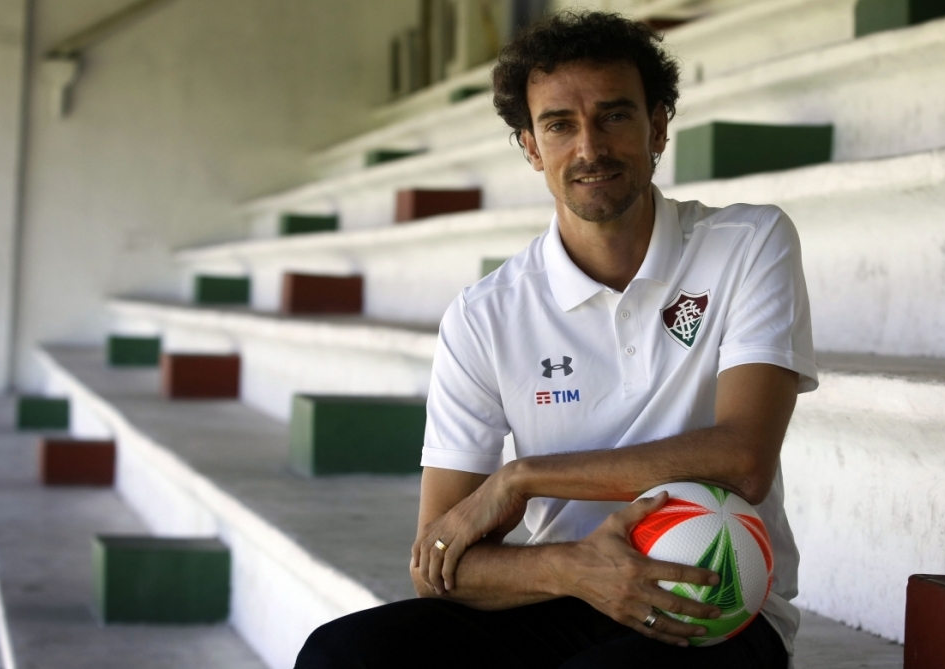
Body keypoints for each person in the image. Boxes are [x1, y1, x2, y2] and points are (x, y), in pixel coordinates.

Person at [295, 10, 818, 668]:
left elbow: (743, 460)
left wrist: (521, 478)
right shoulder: (485, 315)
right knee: (341, 654)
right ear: (531, 147)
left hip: (714, 605)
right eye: (560, 124)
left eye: (615, 115)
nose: (590, 148)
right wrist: (575, 569)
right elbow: (438, 563)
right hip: (561, 593)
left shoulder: (749, 243)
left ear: (658, 126)